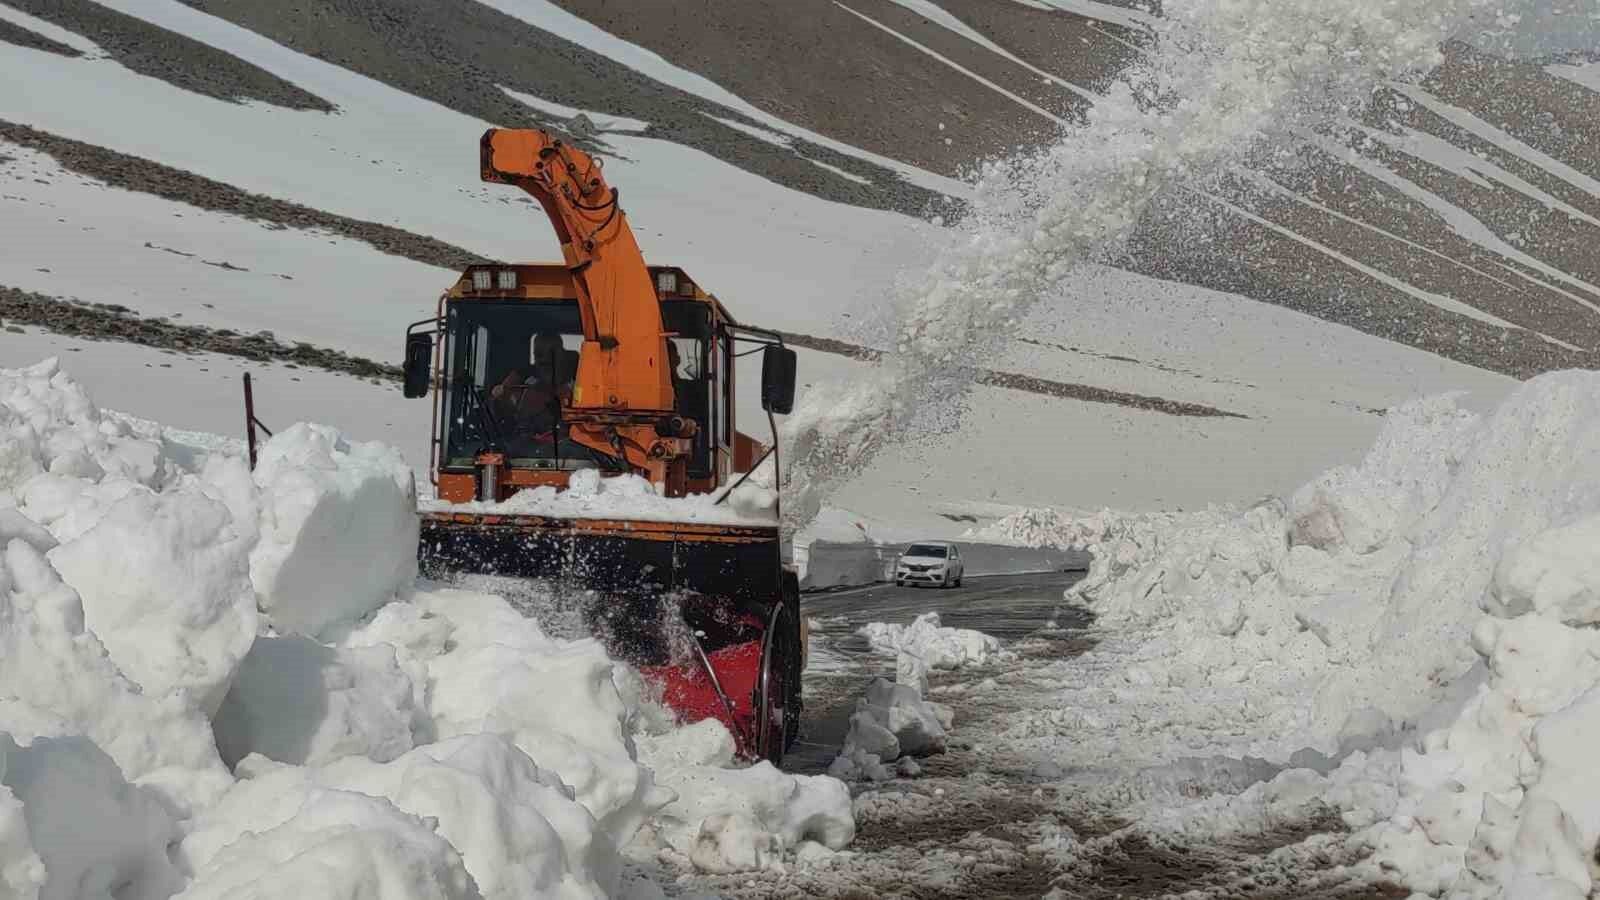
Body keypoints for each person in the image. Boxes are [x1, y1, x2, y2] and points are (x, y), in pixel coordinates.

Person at [491, 332, 576, 436]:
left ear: (561, 355)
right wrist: (499, 396)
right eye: (539, 354)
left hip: (566, 446)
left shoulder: (578, 386)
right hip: (525, 444)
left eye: (551, 354)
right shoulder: (521, 381)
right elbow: (502, 408)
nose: (544, 359)